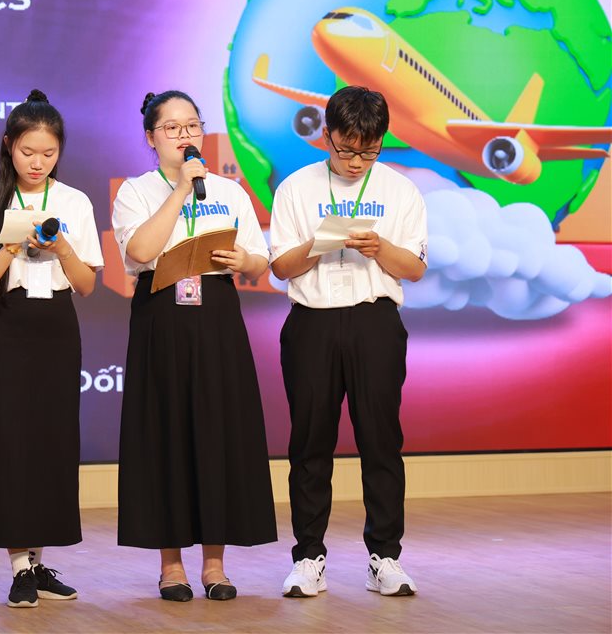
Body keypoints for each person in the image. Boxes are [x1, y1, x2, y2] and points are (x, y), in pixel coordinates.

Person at [111, 90, 277, 602]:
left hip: (217, 317)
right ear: (151, 137)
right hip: (162, 316)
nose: (185, 136)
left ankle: (214, 565)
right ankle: (171, 566)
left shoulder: (228, 190)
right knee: (166, 432)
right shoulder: (137, 192)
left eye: (192, 126)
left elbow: (261, 259)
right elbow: (139, 251)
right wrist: (181, 189)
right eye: (172, 128)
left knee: (216, 431)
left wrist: (244, 261)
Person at [269, 86, 427, 598]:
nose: (356, 161)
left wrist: (379, 247)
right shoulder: (295, 188)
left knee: (381, 442)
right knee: (309, 443)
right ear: (326, 135)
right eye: (346, 149)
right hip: (312, 323)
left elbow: (415, 269)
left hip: (374, 321)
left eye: (369, 151)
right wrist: (320, 243)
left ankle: (385, 558)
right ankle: (308, 558)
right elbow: (280, 267)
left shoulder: (402, 190)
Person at [0, 90, 104, 608]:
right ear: (8, 147)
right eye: (27, 152)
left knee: (53, 443)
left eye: (48, 153)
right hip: (7, 325)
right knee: (10, 443)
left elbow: (87, 284)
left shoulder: (74, 202)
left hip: (57, 327)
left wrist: (61, 247)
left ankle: (39, 564)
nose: (37, 163)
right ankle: (19, 565)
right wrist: (11, 246)